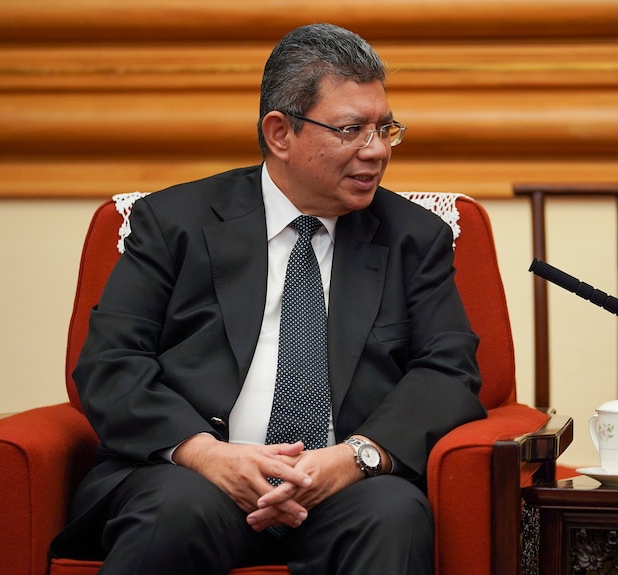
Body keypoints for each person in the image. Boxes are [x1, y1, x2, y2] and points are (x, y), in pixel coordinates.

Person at [51, 22, 486, 575]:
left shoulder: (412, 238)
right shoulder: (175, 223)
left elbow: (448, 371)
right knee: (172, 509)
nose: (376, 151)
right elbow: (111, 364)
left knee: (394, 513)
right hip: (195, 480)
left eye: (385, 128)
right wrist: (207, 456)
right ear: (280, 134)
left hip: (345, 489)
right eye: (352, 129)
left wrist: (354, 458)